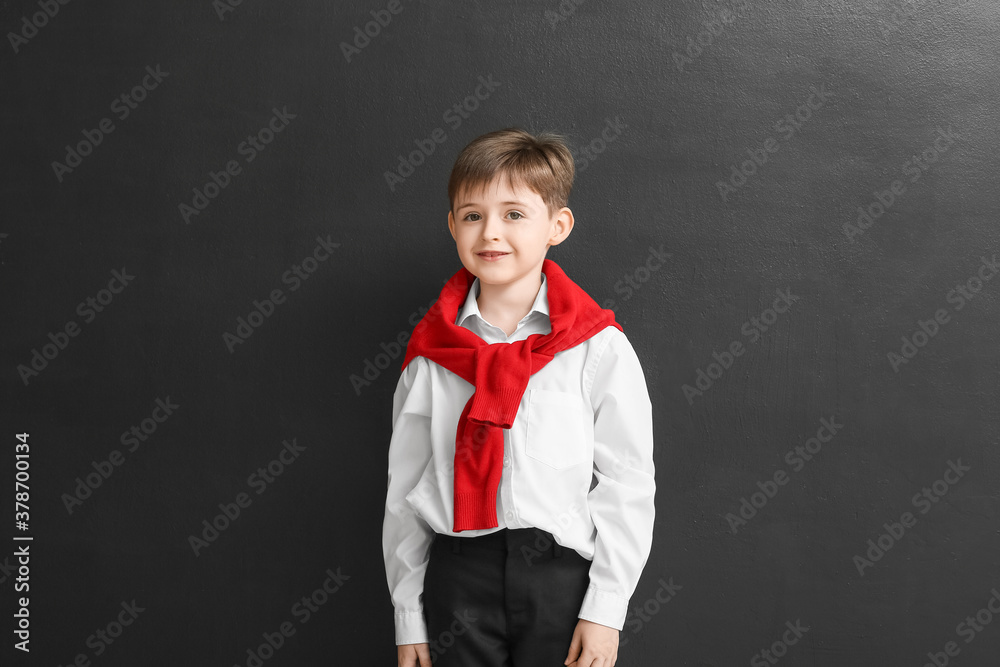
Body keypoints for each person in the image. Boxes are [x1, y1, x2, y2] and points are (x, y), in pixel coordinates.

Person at [383, 127, 656, 667]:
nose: (491, 233)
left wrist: (605, 610)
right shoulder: (431, 357)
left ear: (558, 225)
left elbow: (628, 481)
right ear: (452, 227)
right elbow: (405, 489)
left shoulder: (597, 348)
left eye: (514, 214)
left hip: (559, 579)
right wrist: (408, 617)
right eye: (472, 215)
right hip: (458, 574)